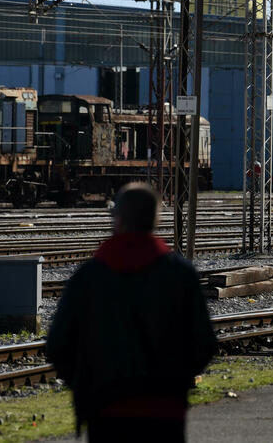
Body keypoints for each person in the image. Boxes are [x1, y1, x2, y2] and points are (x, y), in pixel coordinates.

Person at [46, 182, 215, 442]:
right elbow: (203, 343)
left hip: (105, 412)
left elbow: (58, 346)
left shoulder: (88, 278)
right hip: (165, 412)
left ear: (120, 219)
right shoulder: (180, 275)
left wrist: (87, 385)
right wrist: (176, 380)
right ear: (155, 220)